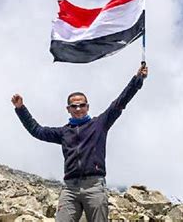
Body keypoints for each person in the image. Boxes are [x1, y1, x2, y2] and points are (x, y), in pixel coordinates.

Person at [11, 64, 148, 222]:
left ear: (87, 107)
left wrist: (137, 80)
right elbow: (37, 131)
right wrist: (21, 108)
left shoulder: (100, 124)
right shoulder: (63, 132)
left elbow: (119, 103)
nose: (78, 108)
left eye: (82, 105)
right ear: (68, 109)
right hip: (70, 188)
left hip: (95, 186)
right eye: (74, 106)